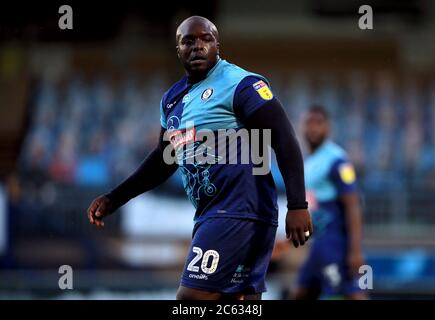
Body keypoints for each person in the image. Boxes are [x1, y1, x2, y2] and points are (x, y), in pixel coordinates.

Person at [87, 16, 312, 300]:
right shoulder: (171, 100)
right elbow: (163, 160)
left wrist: (297, 205)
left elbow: (283, 137)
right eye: (188, 41)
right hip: (213, 213)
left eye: (205, 39)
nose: (198, 46)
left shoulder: (241, 84)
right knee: (238, 300)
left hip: (239, 211)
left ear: (217, 45)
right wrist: (113, 198)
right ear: (178, 50)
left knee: (190, 298)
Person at [294, 105, 367, 300]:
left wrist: (355, 251)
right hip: (319, 243)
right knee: (301, 291)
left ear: (328, 127)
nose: (313, 128)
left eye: (318, 123)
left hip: (337, 243)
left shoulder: (337, 160)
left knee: (351, 292)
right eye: (309, 123)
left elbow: (353, 205)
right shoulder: (310, 162)